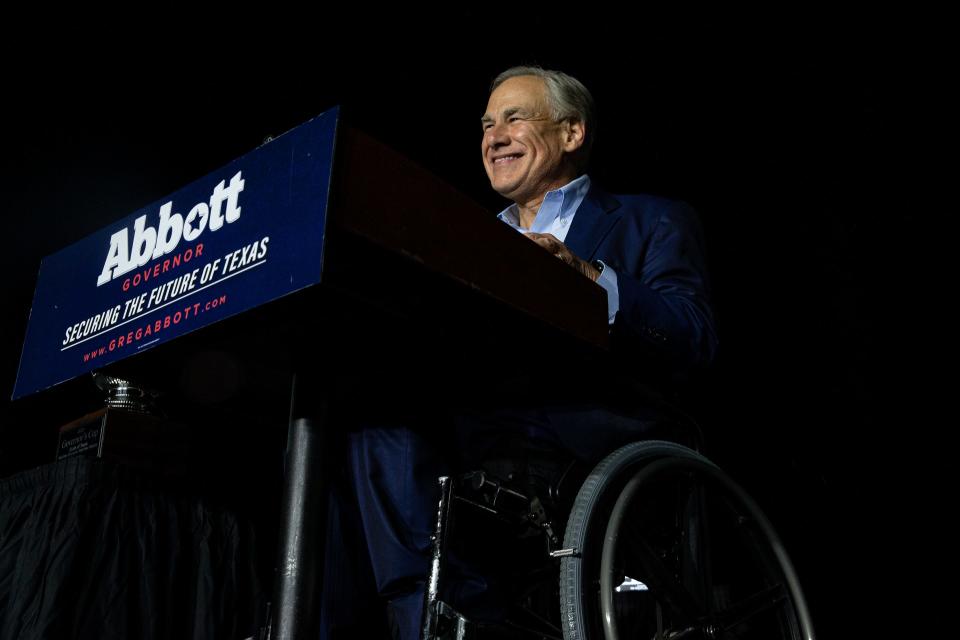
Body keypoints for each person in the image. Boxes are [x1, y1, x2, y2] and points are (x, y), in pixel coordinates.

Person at [324, 66, 718, 640]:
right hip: (473, 422)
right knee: (349, 425)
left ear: (572, 133)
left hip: (586, 428)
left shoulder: (650, 219)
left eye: (514, 118)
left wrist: (589, 279)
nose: (493, 136)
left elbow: (694, 337)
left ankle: (455, 618)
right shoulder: (466, 240)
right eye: (486, 125)